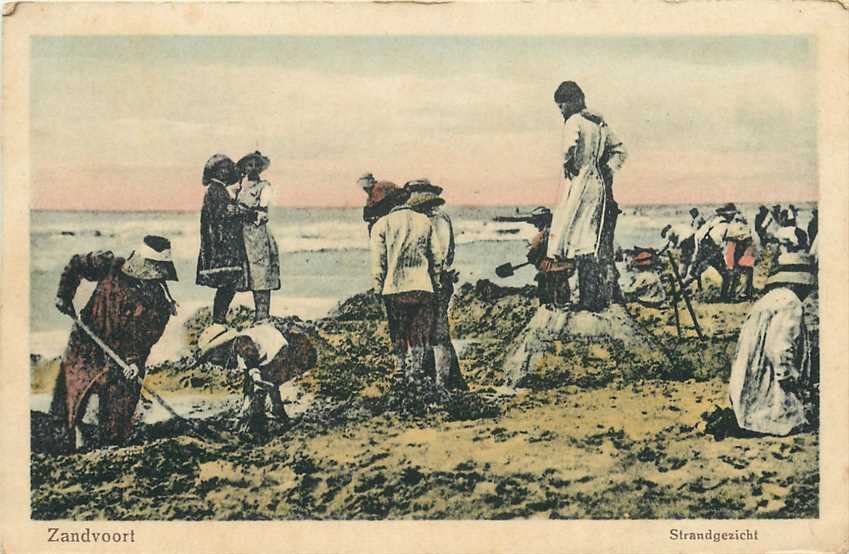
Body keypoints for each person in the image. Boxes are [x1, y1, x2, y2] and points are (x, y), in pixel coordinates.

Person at [51, 236, 178, 450]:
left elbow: (143, 339)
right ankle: (66, 442)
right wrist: (64, 295)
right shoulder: (109, 265)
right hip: (86, 342)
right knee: (68, 405)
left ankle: (109, 445)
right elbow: (76, 264)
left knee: (117, 419)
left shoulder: (158, 302)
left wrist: (134, 361)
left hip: (124, 357)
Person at [545, 81, 628, 312]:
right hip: (597, 185)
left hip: (579, 183)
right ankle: (591, 297)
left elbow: (568, 147)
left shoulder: (574, 121)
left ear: (570, 102)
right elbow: (621, 150)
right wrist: (607, 169)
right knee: (588, 238)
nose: (560, 111)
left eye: (561, 106)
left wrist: (568, 162)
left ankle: (583, 298)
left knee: (572, 237)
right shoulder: (599, 124)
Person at [728, 252, 816, 436]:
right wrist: (788, 378)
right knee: (785, 415)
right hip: (770, 383)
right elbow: (780, 348)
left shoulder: (769, 299)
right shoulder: (790, 303)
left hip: (746, 381)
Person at [370, 186, 444, 379]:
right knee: (418, 332)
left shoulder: (381, 225)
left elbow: (378, 263)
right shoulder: (424, 221)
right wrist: (436, 282)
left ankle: (400, 368)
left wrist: (378, 288)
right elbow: (437, 257)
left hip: (394, 287)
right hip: (422, 285)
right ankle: (417, 370)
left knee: (398, 331)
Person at [197, 322, 316, 437]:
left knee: (261, 388)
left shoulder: (241, 342)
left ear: (221, 347)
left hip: (275, 351)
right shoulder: (240, 348)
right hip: (273, 351)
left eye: (212, 357)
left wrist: (256, 380)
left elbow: (251, 359)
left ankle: (260, 422)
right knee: (265, 385)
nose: (215, 363)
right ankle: (278, 415)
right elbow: (248, 377)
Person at [404, 179, 467, 390]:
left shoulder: (436, 220)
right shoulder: (434, 219)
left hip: (436, 282)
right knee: (432, 333)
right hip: (431, 281)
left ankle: (443, 383)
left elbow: (438, 257)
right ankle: (444, 380)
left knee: (437, 335)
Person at [197, 154, 250, 325]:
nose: (224, 172)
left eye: (227, 169)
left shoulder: (217, 189)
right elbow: (225, 212)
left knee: (226, 284)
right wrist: (244, 211)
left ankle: (219, 319)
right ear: (214, 172)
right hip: (222, 245)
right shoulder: (216, 190)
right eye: (221, 169)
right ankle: (218, 319)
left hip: (219, 243)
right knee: (227, 284)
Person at [236, 151, 281, 322]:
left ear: (261, 168)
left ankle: (262, 315)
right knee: (247, 274)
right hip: (241, 235)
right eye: (249, 164)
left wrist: (242, 211)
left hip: (257, 234)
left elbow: (262, 215)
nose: (253, 168)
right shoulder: (240, 187)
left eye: (256, 165)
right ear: (244, 167)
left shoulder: (265, 187)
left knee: (260, 273)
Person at [684, 202, 738, 300]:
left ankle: (680, 290)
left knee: (692, 274)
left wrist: (697, 253)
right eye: (732, 214)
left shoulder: (712, 221)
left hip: (703, 247)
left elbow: (698, 236)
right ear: (729, 214)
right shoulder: (727, 226)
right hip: (713, 250)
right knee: (726, 274)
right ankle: (724, 297)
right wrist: (728, 263)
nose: (733, 217)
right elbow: (725, 247)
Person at [525, 207, 572, 308]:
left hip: (548, 270)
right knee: (561, 293)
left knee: (545, 291)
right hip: (563, 268)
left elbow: (531, 256)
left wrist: (534, 257)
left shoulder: (540, 236)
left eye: (536, 222)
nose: (535, 225)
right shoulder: (559, 233)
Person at [723, 213, 756, 300]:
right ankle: (746, 293)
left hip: (736, 249)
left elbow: (730, 246)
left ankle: (733, 293)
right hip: (746, 248)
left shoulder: (731, 227)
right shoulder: (746, 227)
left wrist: (729, 262)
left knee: (735, 271)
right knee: (747, 271)